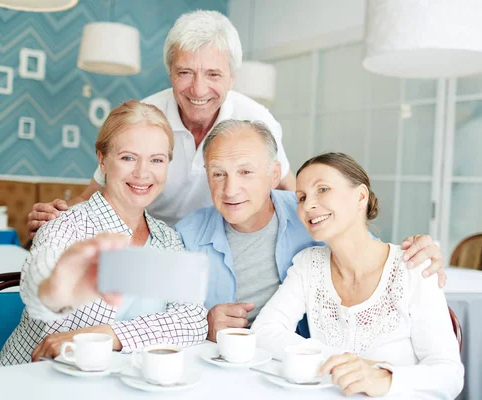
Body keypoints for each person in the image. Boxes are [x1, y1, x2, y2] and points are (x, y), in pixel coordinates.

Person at [26, 10, 295, 235]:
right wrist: (55, 213)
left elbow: (291, 193)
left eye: (213, 74)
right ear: (170, 73)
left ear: (232, 78)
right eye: (185, 73)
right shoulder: (146, 117)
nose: (198, 90)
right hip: (153, 242)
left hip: (220, 244)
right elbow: (92, 195)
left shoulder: (256, 120)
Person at [174, 120, 447, 342]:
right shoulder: (186, 235)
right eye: (218, 174)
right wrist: (202, 325)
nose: (230, 189)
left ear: (274, 174)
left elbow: (368, 253)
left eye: (245, 172)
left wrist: (420, 253)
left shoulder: (311, 213)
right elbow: (159, 318)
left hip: (294, 366)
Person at [0, 100, 207, 367]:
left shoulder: (167, 239)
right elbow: (39, 291)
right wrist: (54, 290)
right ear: (103, 162)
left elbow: (192, 321)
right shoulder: (68, 224)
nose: (142, 173)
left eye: (156, 160)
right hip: (38, 382)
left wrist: (107, 335)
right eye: (128, 157)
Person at [250, 152, 464, 399]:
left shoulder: (413, 267)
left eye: (323, 189)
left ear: (360, 196)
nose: (308, 205)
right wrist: (339, 361)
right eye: (301, 197)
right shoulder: (308, 265)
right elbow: (264, 332)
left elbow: (449, 375)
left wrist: (383, 377)